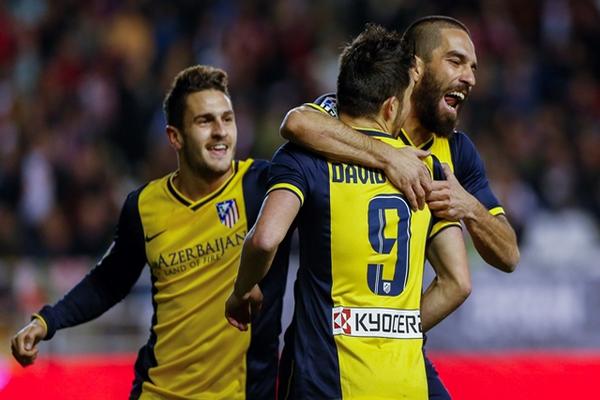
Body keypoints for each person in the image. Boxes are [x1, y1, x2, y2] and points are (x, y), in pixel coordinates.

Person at [10, 65, 289, 400]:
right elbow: (109, 281)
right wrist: (46, 321)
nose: (220, 131)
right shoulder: (143, 206)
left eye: (227, 119)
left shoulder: (265, 187)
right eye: (205, 121)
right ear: (175, 136)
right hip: (157, 392)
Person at [279, 16, 520, 398]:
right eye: (456, 62)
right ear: (417, 68)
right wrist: (387, 157)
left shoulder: (455, 153)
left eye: (474, 67)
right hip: (324, 355)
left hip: (397, 356)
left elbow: (507, 255)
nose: (470, 77)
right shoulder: (351, 113)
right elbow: (296, 123)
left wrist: (469, 207)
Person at [226, 24, 469, 399]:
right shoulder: (428, 170)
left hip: (321, 379)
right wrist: (395, 329)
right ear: (392, 107)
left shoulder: (306, 158)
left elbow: (265, 238)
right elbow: (457, 283)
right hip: (403, 383)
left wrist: (242, 291)